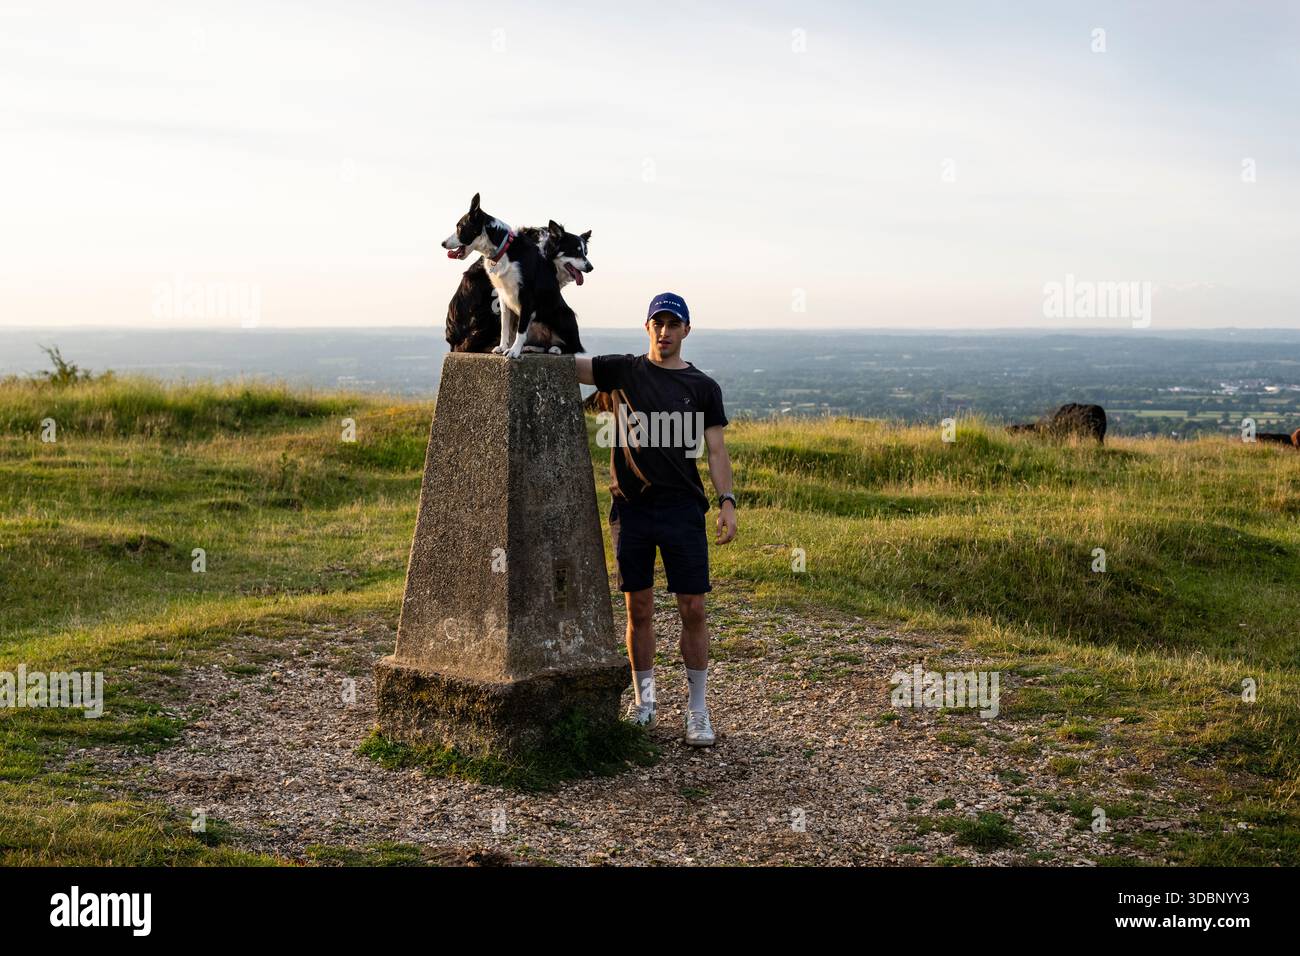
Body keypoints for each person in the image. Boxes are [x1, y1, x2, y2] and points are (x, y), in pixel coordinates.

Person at [575, 292, 737, 746]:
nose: (664, 332)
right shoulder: (623, 370)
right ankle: (645, 704)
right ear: (647, 328)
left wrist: (727, 501)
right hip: (631, 509)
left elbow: (718, 450)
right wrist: (521, 333)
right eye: (657, 323)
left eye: (673, 324)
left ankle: (698, 711)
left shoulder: (703, 387)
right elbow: (567, 364)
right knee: (638, 608)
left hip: (684, 510)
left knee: (694, 608)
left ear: (687, 330)